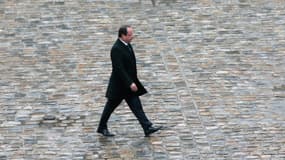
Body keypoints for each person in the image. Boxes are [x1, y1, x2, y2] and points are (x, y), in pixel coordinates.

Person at [97, 25, 162, 137]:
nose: (132, 37)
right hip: (119, 86)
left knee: (137, 106)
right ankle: (102, 127)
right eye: (129, 35)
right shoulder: (116, 49)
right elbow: (119, 69)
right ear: (122, 35)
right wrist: (130, 83)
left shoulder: (127, 45)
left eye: (132, 34)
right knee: (109, 107)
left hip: (128, 86)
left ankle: (147, 127)